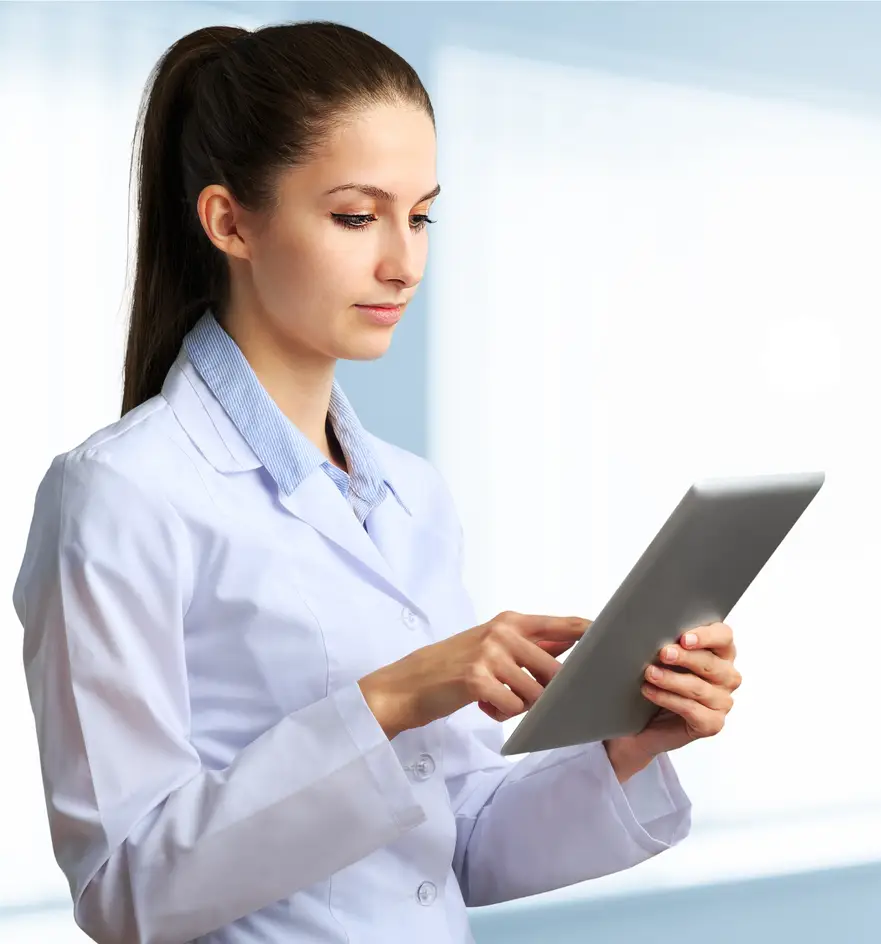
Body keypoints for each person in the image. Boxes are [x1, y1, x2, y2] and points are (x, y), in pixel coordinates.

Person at [11, 20, 742, 944]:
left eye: (421, 213)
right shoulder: (119, 494)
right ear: (229, 220)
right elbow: (125, 892)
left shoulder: (410, 494)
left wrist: (630, 743)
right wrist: (395, 697)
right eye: (358, 216)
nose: (405, 261)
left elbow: (459, 845)